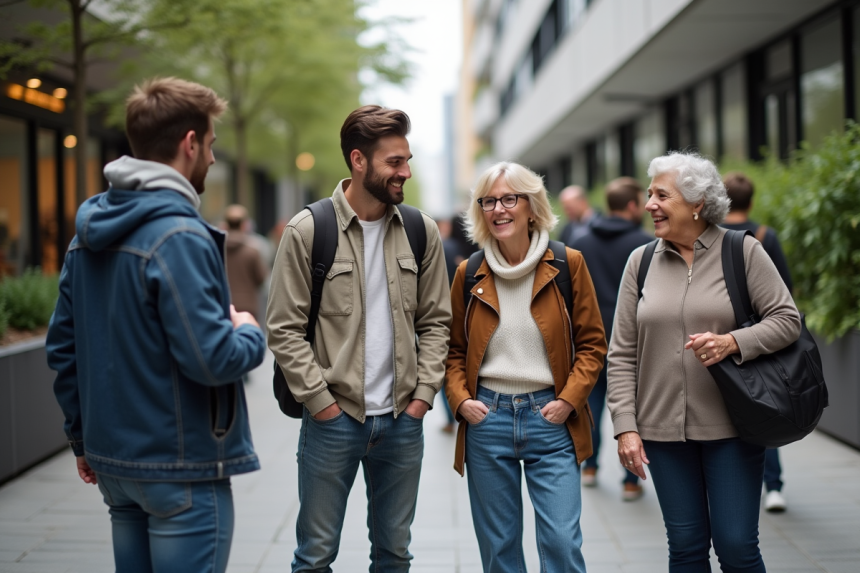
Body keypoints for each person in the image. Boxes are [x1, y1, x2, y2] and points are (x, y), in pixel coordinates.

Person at [46, 77, 267, 573]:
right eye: (210, 145)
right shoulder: (180, 235)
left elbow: (62, 347)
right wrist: (249, 330)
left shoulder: (86, 237)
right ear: (190, 144)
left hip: (114, 465)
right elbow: (214, 358)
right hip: (180, 466)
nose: (212, 158)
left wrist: (81, 440)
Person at [266, 105, 452, 572]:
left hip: (402, 422)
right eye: (394, 162)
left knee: (394, 556)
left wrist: (422, 398)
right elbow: (284, 329)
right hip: (334, 421)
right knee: (315, 557)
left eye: (407, 160)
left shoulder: (419, 230)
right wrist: (322, 405)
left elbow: (436, 322)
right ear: (358, 160)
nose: (405, 172)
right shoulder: (309, 229)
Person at [607, 152, 801, 572]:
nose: (649, 204)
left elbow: (788, 320)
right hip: (660, 432)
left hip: (733, 426)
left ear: (697, 204)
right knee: (687, 548)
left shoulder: (742, 250)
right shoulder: (640, 262)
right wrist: (625, 426)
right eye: (648, 193)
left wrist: (734, 341)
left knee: (736, 547)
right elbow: (621, 352)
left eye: (661, 194)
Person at [446, 162, 606, 573]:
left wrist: (570, 400)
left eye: (509, 198)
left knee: (562, 544)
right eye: (488, 201)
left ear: (531, 206)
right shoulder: (468, 274)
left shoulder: (568, 264)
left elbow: (592, 345)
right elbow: (453, 352)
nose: (498, 209)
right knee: (500, 551)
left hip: (551, 419)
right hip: (488, 421)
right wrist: (461, 401)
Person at [570, 176, 651, 500]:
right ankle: (631, 481)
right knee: (634, 407)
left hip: (591, 337)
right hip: (633, 340)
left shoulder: (583, 242)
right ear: (631, 206)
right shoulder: (646, 243)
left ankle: (589, 467)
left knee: (593, 403)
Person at [722, 171, 793, 513]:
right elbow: (785, 294)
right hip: (759, 339)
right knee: (766, 409)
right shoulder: (765, 235)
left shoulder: (709, 237)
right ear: (751, 201)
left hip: (717, 339)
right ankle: (773, 485)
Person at [224, 204, 268, 320]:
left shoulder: (218, 250)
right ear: (244, 225)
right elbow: (261, 278)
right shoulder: (252, 251)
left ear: (225, 225)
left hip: (225, 305)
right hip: (248, 307)